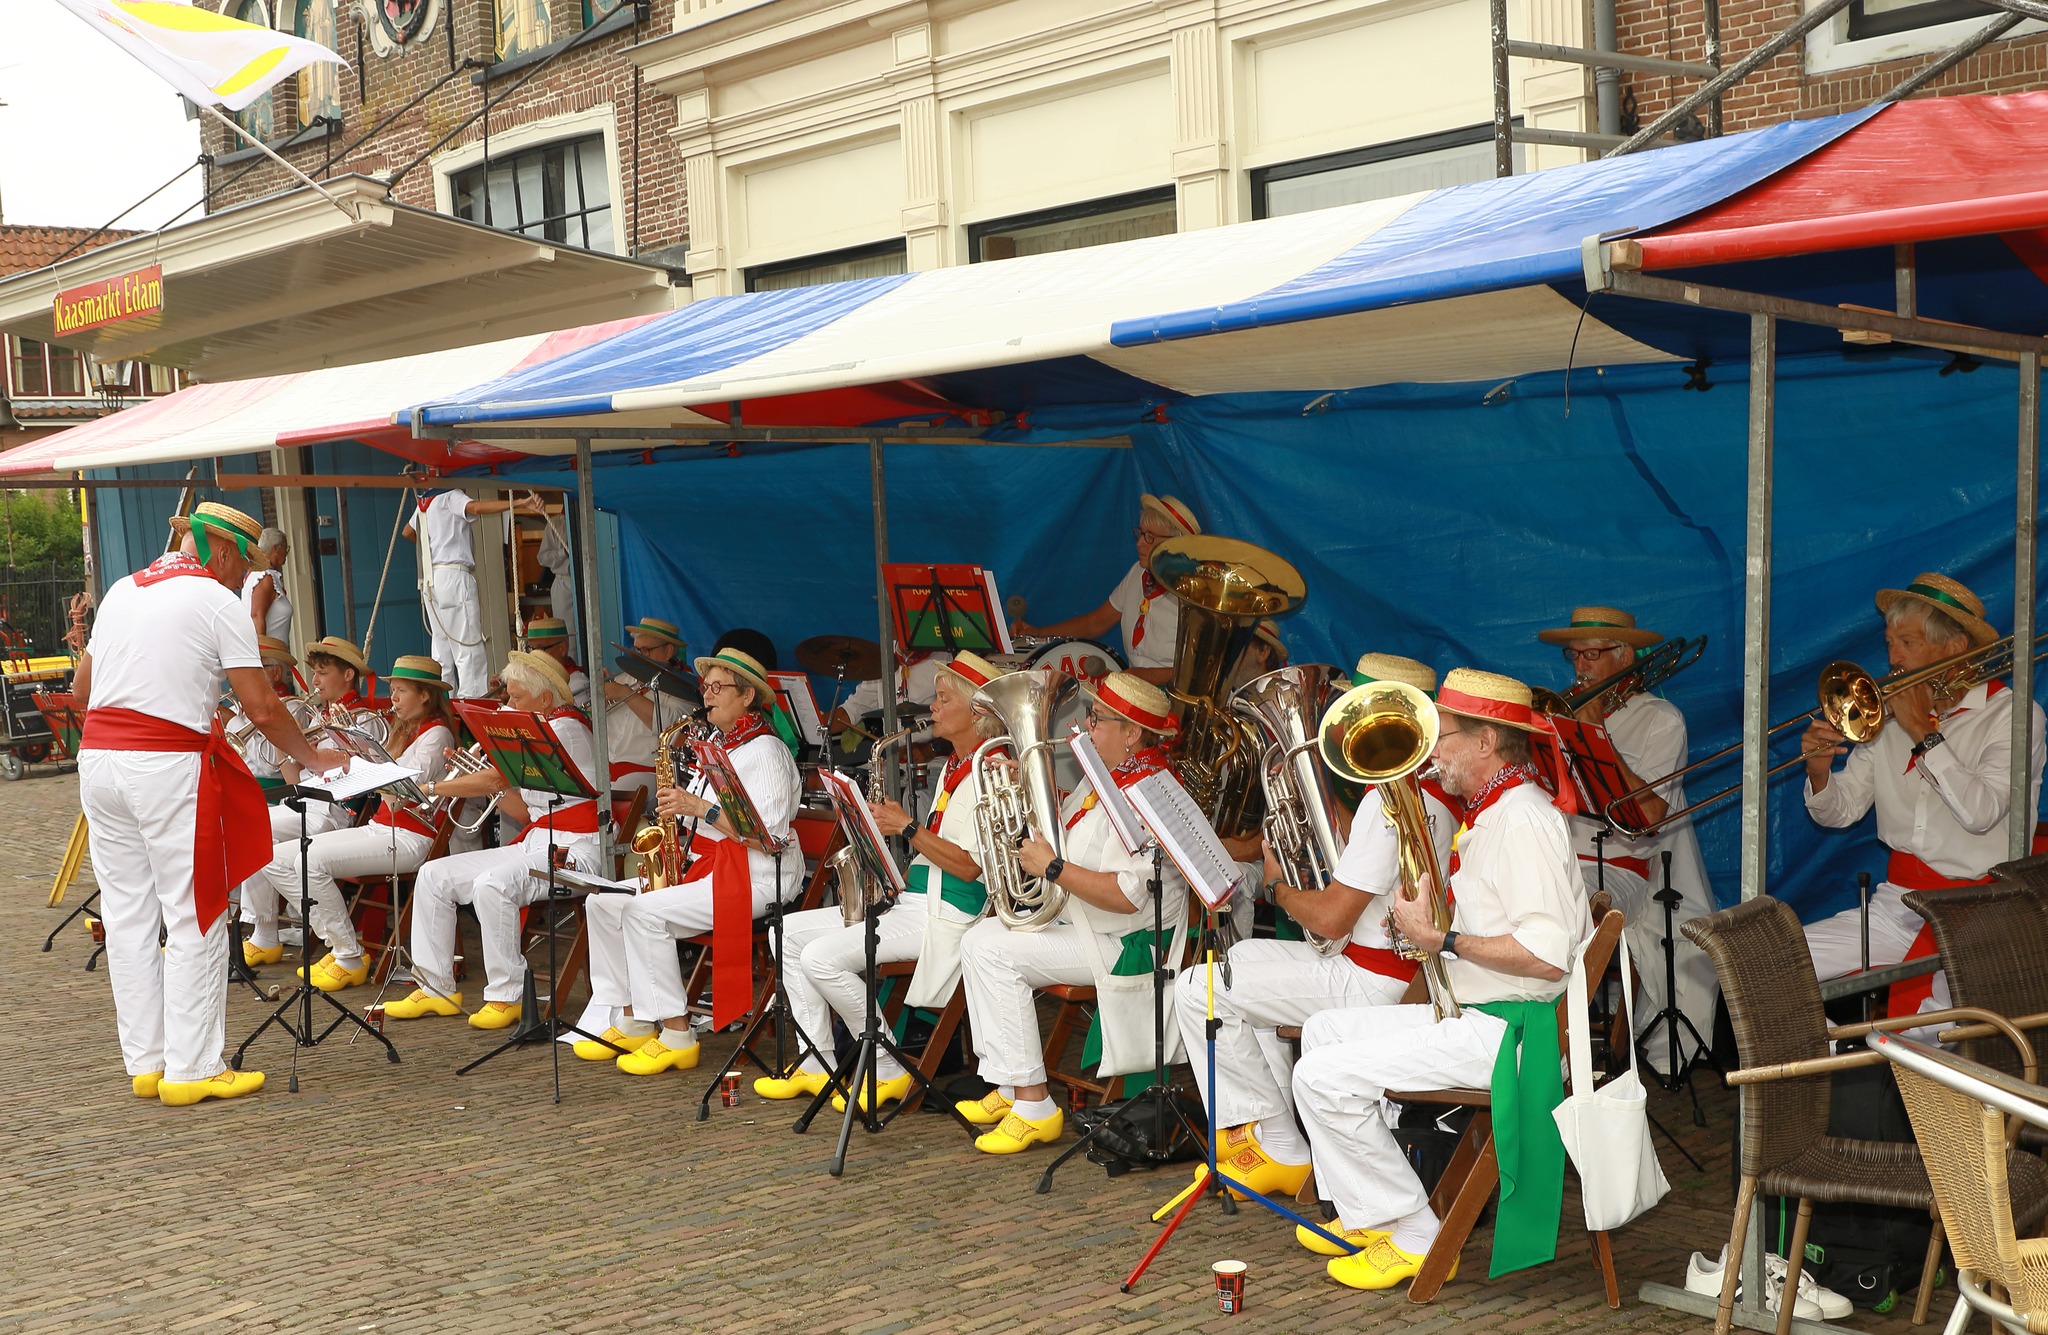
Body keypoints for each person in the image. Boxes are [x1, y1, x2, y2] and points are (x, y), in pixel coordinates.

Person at [1291, 668, 1589, 1290]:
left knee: (1317, 1077)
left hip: (1512, 1036)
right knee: (1320, 1033)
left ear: (1485, 742)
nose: (1432, 752)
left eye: (1443, 735)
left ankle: (1415, 1233)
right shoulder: (1497, 813)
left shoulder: (1523, 819)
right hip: (1487, 1016)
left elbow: (1546, 954)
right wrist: (1429, 926)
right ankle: (1371, 1212)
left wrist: (1441, 939)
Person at [73, 501, 344, 1106]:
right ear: (220, 551)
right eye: (241, 565)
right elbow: (265, 707)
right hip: (166, 764)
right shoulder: (214, 599)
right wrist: (317, 757)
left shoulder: (120, 589)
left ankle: (146, 1062)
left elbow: (84, 690)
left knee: (127, 915)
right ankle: (193, 1068)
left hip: (99, 762)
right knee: (196, 908)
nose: (241, 577)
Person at [1173, 654, 1456, 1201]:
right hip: (1383, 968)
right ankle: (1278, 1140)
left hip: (1371, 978)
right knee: (1240, 975)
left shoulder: (1389, 801)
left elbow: (1330, 919)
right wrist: (1329, 818)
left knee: (1199, 988)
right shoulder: (1432, 795)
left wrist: (1277, 886)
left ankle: (1276, 1142)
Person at [751, 652, 1004, 1109]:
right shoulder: (954, 767)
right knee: (783, 933)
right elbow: (936, 852)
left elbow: (970, 868)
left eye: (943, 699)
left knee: (821, 958)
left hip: (950, 914)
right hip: (919, 901)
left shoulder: (993, 770)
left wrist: (907, 829)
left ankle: (887, 1065)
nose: (933, 707)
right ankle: (816, 1060)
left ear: (977, 711)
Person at [955, 671, 1193, 1153]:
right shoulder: (1102, 779)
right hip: (1085, 925)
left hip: (1124, 942)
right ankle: (1009, 1085)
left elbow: (1127, 897)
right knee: (980, 936)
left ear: (1133, 734)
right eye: (1090, 714)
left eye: (1099, 720)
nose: (1086, 726)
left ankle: (1034, 1105)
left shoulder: (1146, 792)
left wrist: (1055, 867)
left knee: (993, 950)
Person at [1804, 572, 2046, 1019]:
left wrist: (1921, 731)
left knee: (1929, 1030)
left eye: (1908, 643)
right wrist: (1820, 773)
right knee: (1772, 968)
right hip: (1897, 904)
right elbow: (1840, 813)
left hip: (1981, 911)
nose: (1893, 659)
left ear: (1954, 646)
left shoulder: (2013, 716)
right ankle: (1835, 1067)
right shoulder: (1887, 720)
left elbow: (1981, 812)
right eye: (1890, 642)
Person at [573, 648, 801, 1074]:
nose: (707, 695)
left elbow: (767, 837)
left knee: (641, 912)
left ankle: (677, 1033)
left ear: (747, 696)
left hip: (758, 876)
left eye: (718, 688)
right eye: (706, 687)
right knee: (601, 903)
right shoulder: (718, 744)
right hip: (712, 866)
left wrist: (702, 810)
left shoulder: (766, 751)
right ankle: (633, 1017)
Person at [1537, 606, 1718, 1073]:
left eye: (1592, 655)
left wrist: (1596, 736)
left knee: (1557, 914)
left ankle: (1560, 1057)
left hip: (1623, 870)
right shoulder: (1559, 713)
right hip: (1558, 857)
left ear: (1626, 657)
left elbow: (1651, 816)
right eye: (1573, 655)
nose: (1580, 667)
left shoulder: (1662, 720)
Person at [384, 650, 602, 1029]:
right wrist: (481, 776)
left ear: (545, 699)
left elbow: (497, 780)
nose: (509, 705)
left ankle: (509, 994)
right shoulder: (540, 728)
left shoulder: (564, 728)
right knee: (434, 876)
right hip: (539, 841)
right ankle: (434, 987)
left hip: (576, 849)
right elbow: (524, 812)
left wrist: (433, 786)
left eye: (516, 698)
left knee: (493, 884)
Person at [255, 656, 458, 992]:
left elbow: (401, 793)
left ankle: (349, 955)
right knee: (272, 858)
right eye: (392, 690)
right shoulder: (404, 731)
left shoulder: (437, 735)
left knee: (311, 861)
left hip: (410, 835)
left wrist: (364, 760)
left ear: (425, 695)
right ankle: (340, 945)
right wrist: (354, 752)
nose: (392, 699)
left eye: (401, 691)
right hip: (382, 827)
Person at [236, 635, 375, 967]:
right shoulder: (316, 716)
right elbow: (294, 774)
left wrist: (348, 736)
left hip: (334, 810)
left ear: (348, 675)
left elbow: (368, 773)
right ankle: (264, 932)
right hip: (306, 801)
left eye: (322, 673)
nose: (314, 681)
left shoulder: (366, 719)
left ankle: (281, 932)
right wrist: (287, 747)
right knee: (250, 830)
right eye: (314, 673)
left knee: (254, 832)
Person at [1010, 494, 1200, 687]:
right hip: (1137, 693)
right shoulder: (1138, 572)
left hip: (1178, 701)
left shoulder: (1194, 595)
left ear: (1176, 545)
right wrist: (1038, 632)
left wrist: (1145, 675)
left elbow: (1198, 671)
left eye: (1150, 537)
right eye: (1140, 533)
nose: (1139, 543)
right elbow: (1095, 623)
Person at [403, 488, 543, 699]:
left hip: (431, 578)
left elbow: (408, 531)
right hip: (454, 575)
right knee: (468, 649)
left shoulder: (426, 500)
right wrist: (520, 502)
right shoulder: (450, 495)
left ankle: (443, 704)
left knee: (442, 652)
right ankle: (472, 704)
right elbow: (475, 507)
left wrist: (433, 548)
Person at [599, 615, 695, 800]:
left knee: (608, 803)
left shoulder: (684, 687)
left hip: (649, 773)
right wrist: (600, 699)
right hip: (606, 768)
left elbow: (672, 726)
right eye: (636, 649)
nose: (639, 655)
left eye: (646, 650)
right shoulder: (622, 679)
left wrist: (625, 695)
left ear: (668, 651)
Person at [523, 616, 591, 710]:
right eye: (531, 649)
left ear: (562, 648)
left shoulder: (577, 683)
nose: (534, 655)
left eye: (541, 648)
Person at [242, 527, 291, 643]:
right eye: (286, 548)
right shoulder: (264, 578)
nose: (286, 554)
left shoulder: (256, 574)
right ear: (276, 549)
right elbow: (257, 617)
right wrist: (264, 655)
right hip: (270, 657)